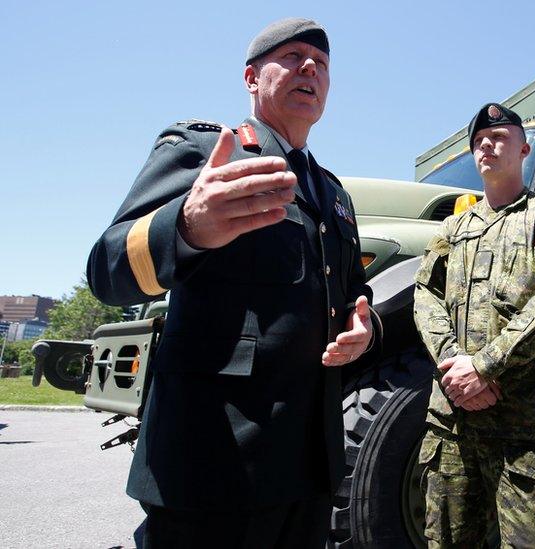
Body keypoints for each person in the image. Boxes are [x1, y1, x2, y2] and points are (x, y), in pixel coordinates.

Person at [87, 17, 379, 547]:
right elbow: (107, 270)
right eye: (291, 57)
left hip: (310, 467)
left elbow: (357, 292)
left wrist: (366, 326)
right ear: (251, 77)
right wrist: (187, 226)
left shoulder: (335, 194)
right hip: (213, 461)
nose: (309, 68)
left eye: (322, 65)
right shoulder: (206, 151)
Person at [414, 103, 535, 548]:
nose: (487, 145)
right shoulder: (452, 229)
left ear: (524, 148)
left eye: (500, 137)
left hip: (525, 423)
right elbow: (424, 294)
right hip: (454, 425)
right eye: (479, 141)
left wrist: (486, 365)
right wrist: (456, 365)